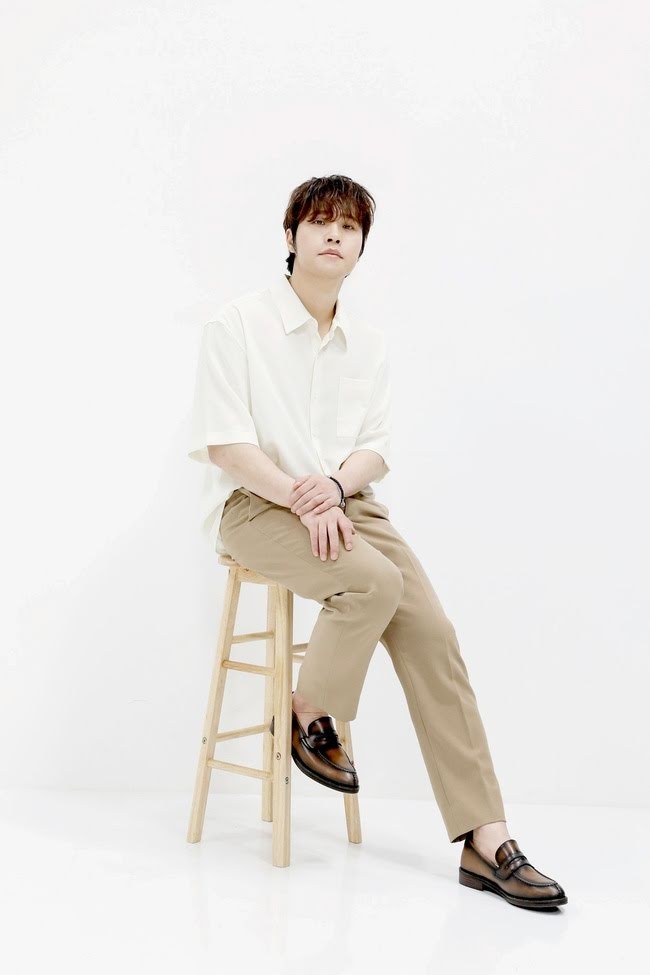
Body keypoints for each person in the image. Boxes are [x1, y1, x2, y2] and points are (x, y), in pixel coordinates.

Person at [187, 174, 567, 910]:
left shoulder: (369, 344)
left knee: (433, 632)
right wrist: (302, 496)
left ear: (361, 247)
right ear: (291, 234)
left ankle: (485, 838)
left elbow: (375, 448)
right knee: (372, 581)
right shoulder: (236, 324)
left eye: (350, 227)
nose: (335, 234)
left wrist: (332, 489)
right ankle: (307, 711)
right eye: (320, 222)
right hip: (254, 503)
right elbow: (227, 444)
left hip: (346, 501)